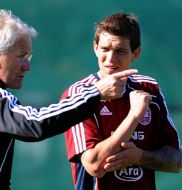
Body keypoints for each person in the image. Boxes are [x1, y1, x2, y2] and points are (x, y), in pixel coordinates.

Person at [0, 10, 138, 190]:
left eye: (28, 58)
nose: (27, 67)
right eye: (21, 56)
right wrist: (95, 93)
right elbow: (34, 123)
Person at [61, 12, 182, 190]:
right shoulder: (79, 94)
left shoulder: (149, 89)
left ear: (136, 53)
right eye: (105, 49)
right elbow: (94, 165)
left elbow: (176, 161)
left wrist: (140, 156)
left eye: (120, 51)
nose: (110, 59)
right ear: (95, 47)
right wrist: (134, 116)